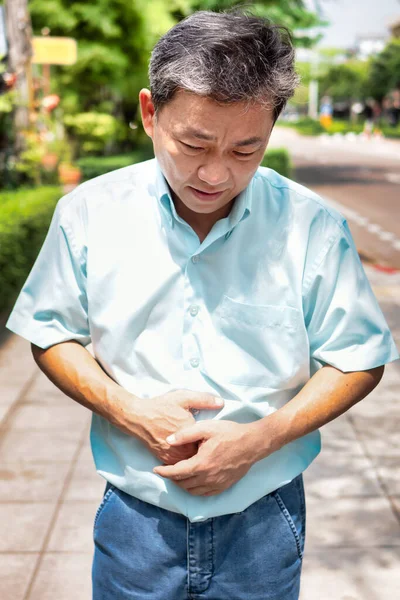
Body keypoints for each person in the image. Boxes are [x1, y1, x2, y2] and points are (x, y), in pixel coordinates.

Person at [6, 10, 399, 600]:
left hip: (264, 516)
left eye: (247, 149)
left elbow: (359, 357)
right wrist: (129, 410)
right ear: (149, 112)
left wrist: (260, 438)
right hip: (136, 517)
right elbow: (49, 331)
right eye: (194, 143)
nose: (216, 174)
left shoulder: (312, 225)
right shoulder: (90, 212)